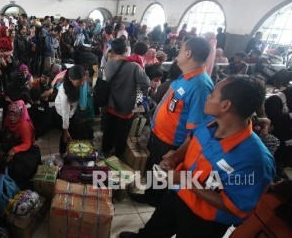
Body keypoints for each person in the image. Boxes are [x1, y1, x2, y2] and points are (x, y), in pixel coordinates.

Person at [120, 75, 275, 238]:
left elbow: (236, 206)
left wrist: (186, 180)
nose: (208, 96)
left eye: (213, 94)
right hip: (178, 193)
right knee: (156, 228)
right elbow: (192, 137)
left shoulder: (254, 160)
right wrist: (175, 157)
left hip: (205, 220)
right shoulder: (210, 121)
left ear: (225, 105)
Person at [137, 37, 214, 207]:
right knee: (153, 171)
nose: (177, 53)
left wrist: (176, 152)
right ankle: (148, 196)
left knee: (162, 177)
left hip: (172, 143)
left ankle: (154, 202)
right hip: (160, 136)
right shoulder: (185, 77)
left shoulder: (200, 86)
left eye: (180, 50)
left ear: (188, 53)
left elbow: (197, 129)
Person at [102, 39, 150, 158]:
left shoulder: (108, 64)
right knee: (122, 132)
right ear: (126, 50)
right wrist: (138, 94)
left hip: (110, 103)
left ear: (112, 50)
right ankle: (118, 155)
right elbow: (146, 83)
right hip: (126, 106)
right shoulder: (134, 66)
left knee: (109, 129)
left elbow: (103, 80)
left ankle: (105, 150)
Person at [0, 100, 40, 189]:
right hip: (14, 144)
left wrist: (14, 150)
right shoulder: (8, 119)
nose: (11, 118)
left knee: (19, 169)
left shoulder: (24, 125)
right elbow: (5, 132)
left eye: (15, 115)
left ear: (20, 114)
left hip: (26, 149)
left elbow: (27, 144)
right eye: (10, 114)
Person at [55, 65, 87, 154]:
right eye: (79, 82)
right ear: (70, 79)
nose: (82, 84)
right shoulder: (64, 93)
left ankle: (71, 151)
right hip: (62, 113)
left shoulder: (79, 82)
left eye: (83, 80)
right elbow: (65, 113)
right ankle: (62, 152)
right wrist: (66, 131)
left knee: (72, 130)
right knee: (65, 135)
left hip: (72, 111)